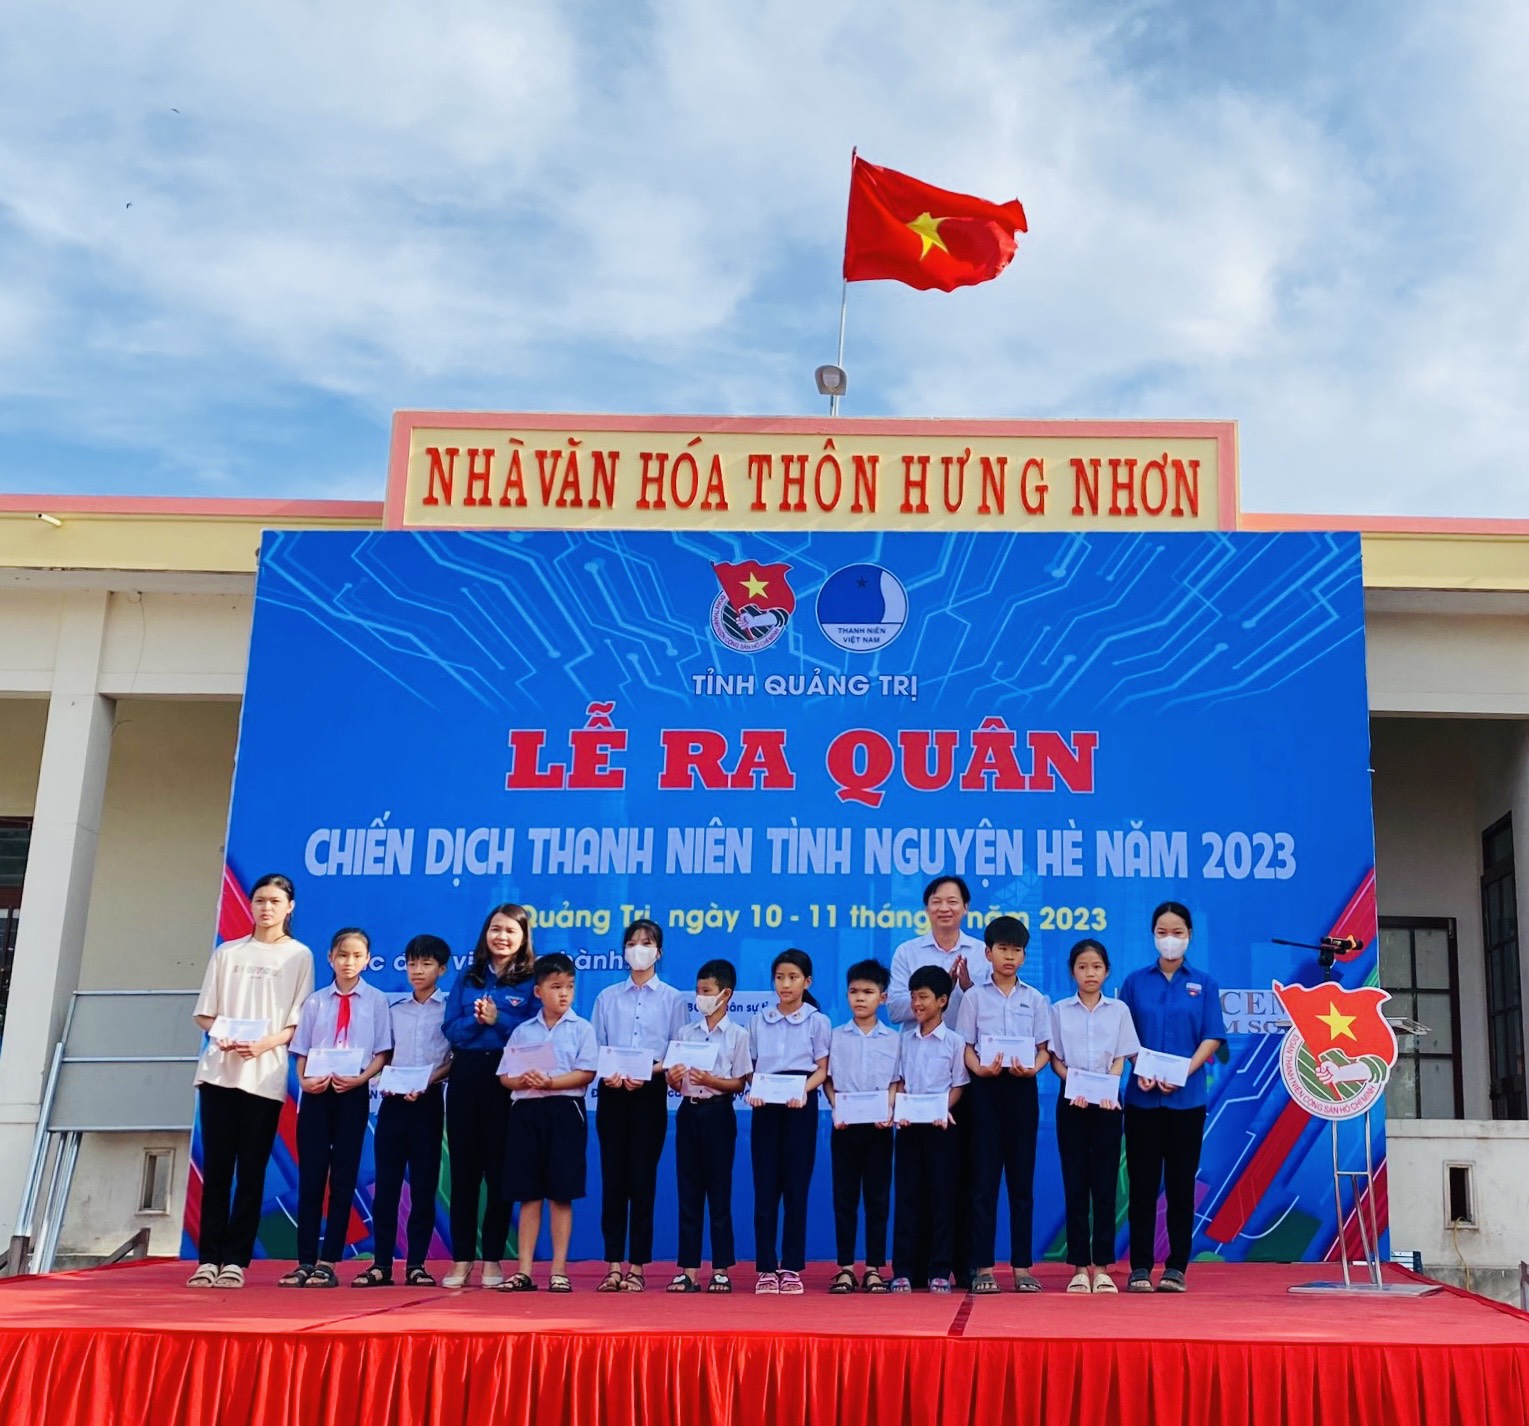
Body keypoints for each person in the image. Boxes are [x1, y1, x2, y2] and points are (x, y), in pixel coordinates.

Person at [188, 872, 314, 1289]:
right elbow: (205, 1013)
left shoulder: (299, 955)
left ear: (289, 906)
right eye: (260, 900)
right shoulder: (228, 952)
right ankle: (208, 1259)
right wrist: (222, 1033)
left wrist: (263, 1044)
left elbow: (298, 1021)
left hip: (264, 1075)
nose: (266, 908)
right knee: (217, 1169)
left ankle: (235, 1261)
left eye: (275, 901)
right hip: (219, 1072)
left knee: (252, 1169)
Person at [1118, 901, 1227, 1293]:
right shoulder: (1135, 982)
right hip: (1142, 1100)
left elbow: (1212, 1035)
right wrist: (1140, 1067)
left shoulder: (1204, 984)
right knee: (1143, 1186)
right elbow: (1124, 1034)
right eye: (1162, 932)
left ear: (1189, 936)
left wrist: (1184, 1072)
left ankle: (1177, 1266)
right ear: (1153, 936)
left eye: (1177, 932)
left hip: (1187, 1101)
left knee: (1181, 1186)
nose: (1170, 939)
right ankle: (1140, 1267)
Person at [887, 874, 988, 1284]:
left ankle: (957, 1265)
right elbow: (895, 1009)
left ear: (965, 908)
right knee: (914, 1184)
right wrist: (933, 990)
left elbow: (989, 1008)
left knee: (961, 1176)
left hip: (965, 1072)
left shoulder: (980, 952)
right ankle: (911, 1268)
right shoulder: (908, 951)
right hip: (917, 1077)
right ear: (927, 907)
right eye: (936, 901)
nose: (944, 908)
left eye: (953, 901)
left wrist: (966, 987)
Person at [282, 928, 392, 1288]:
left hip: (352, 1094)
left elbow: (382, 1052)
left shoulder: (376, 1001)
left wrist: (361, 1080)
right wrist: (303, 1080)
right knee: (311, 1177)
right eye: (343, 955)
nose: (349, 962)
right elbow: (300, 1049)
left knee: (343, 1177)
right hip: (317, 1093)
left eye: (357, 956)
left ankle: (328, 1261)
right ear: (330, 957)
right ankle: (304, 1261)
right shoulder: (316, 1002)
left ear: (367, 960)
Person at [441, 903, 537, 1289]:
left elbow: (536, 1030)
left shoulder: (531, 978)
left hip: (507, 1077)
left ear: (523, 938)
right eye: (495, 929)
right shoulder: (469, 975)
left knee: (499, 1172)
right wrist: (476, 1021)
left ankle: (493, 1258)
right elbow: (450, 1027)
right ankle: (462, 1258)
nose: (501, 937)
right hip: (466, 1074)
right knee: (464, 1172)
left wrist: (499, 1021)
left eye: (510, 931)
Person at [591, 918, 688, 1292]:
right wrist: (610, 1073)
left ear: (658, 952)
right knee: (613, 1179)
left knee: (642, 1180)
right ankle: (613, 1264)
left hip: (650, 1092)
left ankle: (637, 1267)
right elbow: (596, 1048)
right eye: (632, 943)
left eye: (646, 943)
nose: (638, 949)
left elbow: (676, 1050)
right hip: (613, 1092)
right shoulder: (607, 997)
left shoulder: (672, 999)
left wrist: (648, 1071)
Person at [956, 914, 1050, 1293]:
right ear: (988, 953)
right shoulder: (974, 997)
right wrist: (979, 1068)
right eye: (1003, 949)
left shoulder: (1035, 999)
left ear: (1024, 956)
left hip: (1022, 1091)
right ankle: (983, 1268)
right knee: (983, 1183)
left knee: (1021, 1183)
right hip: (985, 1091)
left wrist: (1034, 1069)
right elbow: (965, 1046)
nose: (1009, 957)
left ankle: (1022, 1268)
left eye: (1016, 950)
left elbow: (1044, 1049)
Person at [355, 933, 453, 1288]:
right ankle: (381, 1264)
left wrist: (427, 1081)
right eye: (412, 963)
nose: (417, 970)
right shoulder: (393, 1011)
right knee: (387, 1186)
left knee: (424, 1187)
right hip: (393, 1103)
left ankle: (416, 1265)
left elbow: (454, 1060)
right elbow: (382, 1055)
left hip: (428, 1103)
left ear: (442, 969)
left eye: (426, 963)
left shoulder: (449, 1010)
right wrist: (384, 1079)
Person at [496, 952, 597, 1292]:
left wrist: (551, 1082)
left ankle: (558, 1270)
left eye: (569, 986)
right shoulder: (523, 1031)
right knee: (528, 1194)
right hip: (526, 1113)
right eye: (556, 987)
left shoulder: (582, 1029)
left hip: (565, 1112)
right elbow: (505, 1077)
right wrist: (523, 1080)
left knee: (561, 1193)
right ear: (539, 992)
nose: (564, 994)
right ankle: (524, 1270)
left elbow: (586, 1072)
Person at [1049, 937, 1140, 1294]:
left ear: (1107, 971)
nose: (1090, 973)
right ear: (1072, 971)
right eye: (1083, 967)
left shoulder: (1118, 1010)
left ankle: (1101, 1267)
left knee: (1104, 1186)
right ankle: (1078, 1267)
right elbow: (1055, 1058)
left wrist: (1108, 1088)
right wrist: (1072, 1083)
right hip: (1071, 1102)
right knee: (1075, 1185)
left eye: (1097, 967)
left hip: (1107, 1104)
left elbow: (1121, 1056)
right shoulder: (1059, 1011)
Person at [666, 958, 752, 1294]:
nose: (700, 997)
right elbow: (675, 1083)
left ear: (725, 994)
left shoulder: (738, 1035)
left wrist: (712, 1080)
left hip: (719, 1114)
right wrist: (674, 1079)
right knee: (688, 1192)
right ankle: (688, 1270)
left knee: (719, 1192)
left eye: (706, 991)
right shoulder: (686, 1033)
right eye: (698, 990)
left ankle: (720, 1269)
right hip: (688, 1112)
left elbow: (740, 1083)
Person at [747, 948, 830, 1296]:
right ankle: (767, 1267)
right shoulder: (759, 1020)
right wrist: (754, 1088)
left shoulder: (817, 1021)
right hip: (766, 1105)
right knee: (765, 1187)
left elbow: (822, 1070)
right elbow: (751, 1066)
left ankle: (792, 1266)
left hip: (800, 1103)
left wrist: (802, 1090)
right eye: (780, 977)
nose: (785, 984)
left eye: (793, 977)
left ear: (806, 981)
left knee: (796, 1187)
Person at [890, 966, 968, 1293]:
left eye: (923, 997)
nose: (916, 1004)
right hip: (909, 1127)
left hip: (942, 1127)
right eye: (913, 997)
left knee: (942, 1198)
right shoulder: (904, 1040)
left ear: (942, 1001)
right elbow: (899, 1081)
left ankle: (940, 1269)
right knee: (907, 1197)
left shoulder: (955, 1042)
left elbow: (958, 1085)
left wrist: (941, 1109)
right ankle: (904, 1270)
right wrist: (899, 1108)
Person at [825, 959, 900, 1294]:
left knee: (877, 1199)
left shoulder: (895, 1039)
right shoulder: (835, 1037)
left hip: (879, 1128)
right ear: (846, 995)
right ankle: (844, 1267)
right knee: (844, 1198)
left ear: (882, 997)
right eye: (854, 991)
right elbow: (827, 1079)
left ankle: (873, 1268)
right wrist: (835, 1106)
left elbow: (897, 1081)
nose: (860, 998)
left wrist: (889, 1107)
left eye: (868, 992)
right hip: (844, 1127)